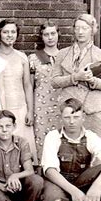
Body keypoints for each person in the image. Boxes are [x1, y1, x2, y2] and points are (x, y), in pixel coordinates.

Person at [51, 13, 101, 147]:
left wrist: (93, 81)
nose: (80, 32)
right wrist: (75, 77)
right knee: (67, 148)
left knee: (99, 149)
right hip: (68, 108)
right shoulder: (62, 53)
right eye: (77, 28)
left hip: (93, 108)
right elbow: (54, 81)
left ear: (92, 30)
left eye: (85, 28)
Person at [0, 19, 37, 164]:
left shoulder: (22, 56)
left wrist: (30, 111)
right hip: (1, 107)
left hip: (20, 107)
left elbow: (27, 85)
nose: (9, 35)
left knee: (22, 147)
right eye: (6, 32)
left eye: (13, 32)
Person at [28, 20, 61, 163]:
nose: (50, 37)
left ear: (58, 34)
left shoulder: (65, 56)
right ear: (42, 37)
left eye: (53, 33)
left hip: (61, 105)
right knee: (41, 138)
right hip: (41, 105)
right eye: (46, 34)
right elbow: (29, 85)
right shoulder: (34, 58)